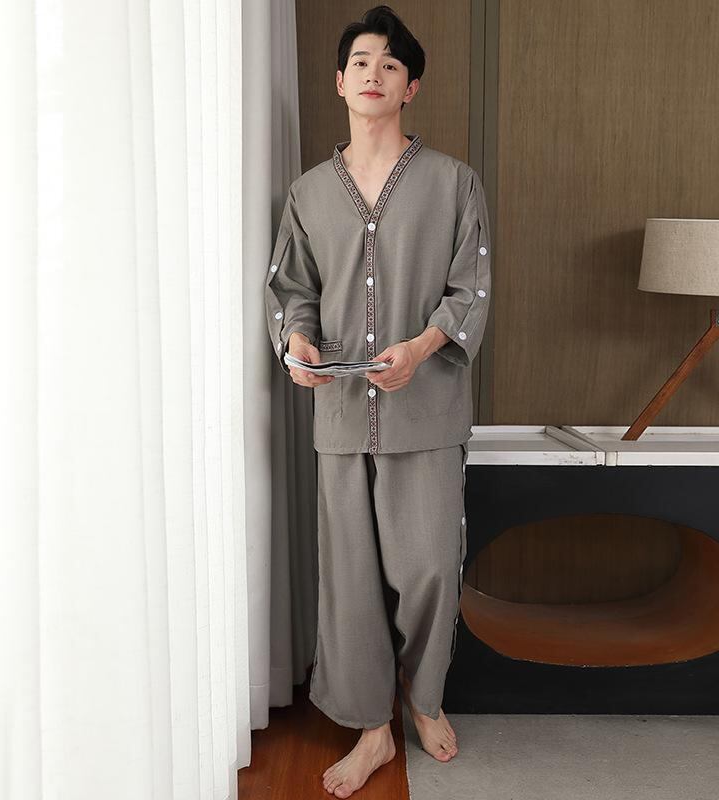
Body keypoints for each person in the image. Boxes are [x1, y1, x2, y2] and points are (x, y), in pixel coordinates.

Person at [264, 5, 492, 797]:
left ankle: (423, 698)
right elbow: (291, 290)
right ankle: (374, 730)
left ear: (410, 87)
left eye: (390, 64)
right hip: (338, 416)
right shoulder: (307, 194)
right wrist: (297, 343)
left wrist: (421, 349)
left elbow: (470, 289)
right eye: (361, 61)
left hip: (426, 413)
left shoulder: (454, 183)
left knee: (428, 567)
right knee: (351, 582)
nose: (374, 73)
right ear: (339, 81)